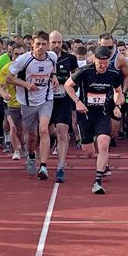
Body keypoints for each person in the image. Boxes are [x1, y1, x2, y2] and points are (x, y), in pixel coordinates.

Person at [64, 46, 123, 194]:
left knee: (103, 143)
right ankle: (103, 161)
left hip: (103, 113)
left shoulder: (113, 74)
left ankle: (97, 181)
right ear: (94, 59)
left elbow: (118, 92)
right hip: (85, 115)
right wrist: (77, 101)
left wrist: (117, 105)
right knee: (88, 152)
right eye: (100, 63)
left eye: (106, 62)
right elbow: (67, 85)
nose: (103, 66)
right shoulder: (85, 71)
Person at [7, 30, 57, 179]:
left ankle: (43, 166)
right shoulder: (24, 60)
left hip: (46, 98)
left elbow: (51, 69)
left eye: (43, 44)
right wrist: (26, 85)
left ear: (48, 44)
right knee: (32, 136)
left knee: (43, 129)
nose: (40, 47)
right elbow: (9, 78)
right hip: (27, 101)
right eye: (37, 44)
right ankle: (30, 155)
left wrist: (54, 77)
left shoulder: (52, 57)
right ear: (32, 46)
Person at [49, 31, 79, 183]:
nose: (56, 45)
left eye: (59, 42)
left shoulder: (70, 58)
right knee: (44, 131)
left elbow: (76, 76)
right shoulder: (43, 58)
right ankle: (36, 158)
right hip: (46, 100)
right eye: (53, 42)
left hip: (64, 99)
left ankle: (60, 166)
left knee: (62, 130)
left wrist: (70, 87)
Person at [0, 43, 26, 161]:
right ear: (12, 56)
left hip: (27, 103)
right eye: (16, 54)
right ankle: (17, 150)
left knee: (23, 128)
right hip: (12, 103)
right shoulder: (6, 68)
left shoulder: (30, 67)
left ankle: (25, 146)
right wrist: (4, 94)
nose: (18, 57)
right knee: (13, 127)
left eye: (22, 54)